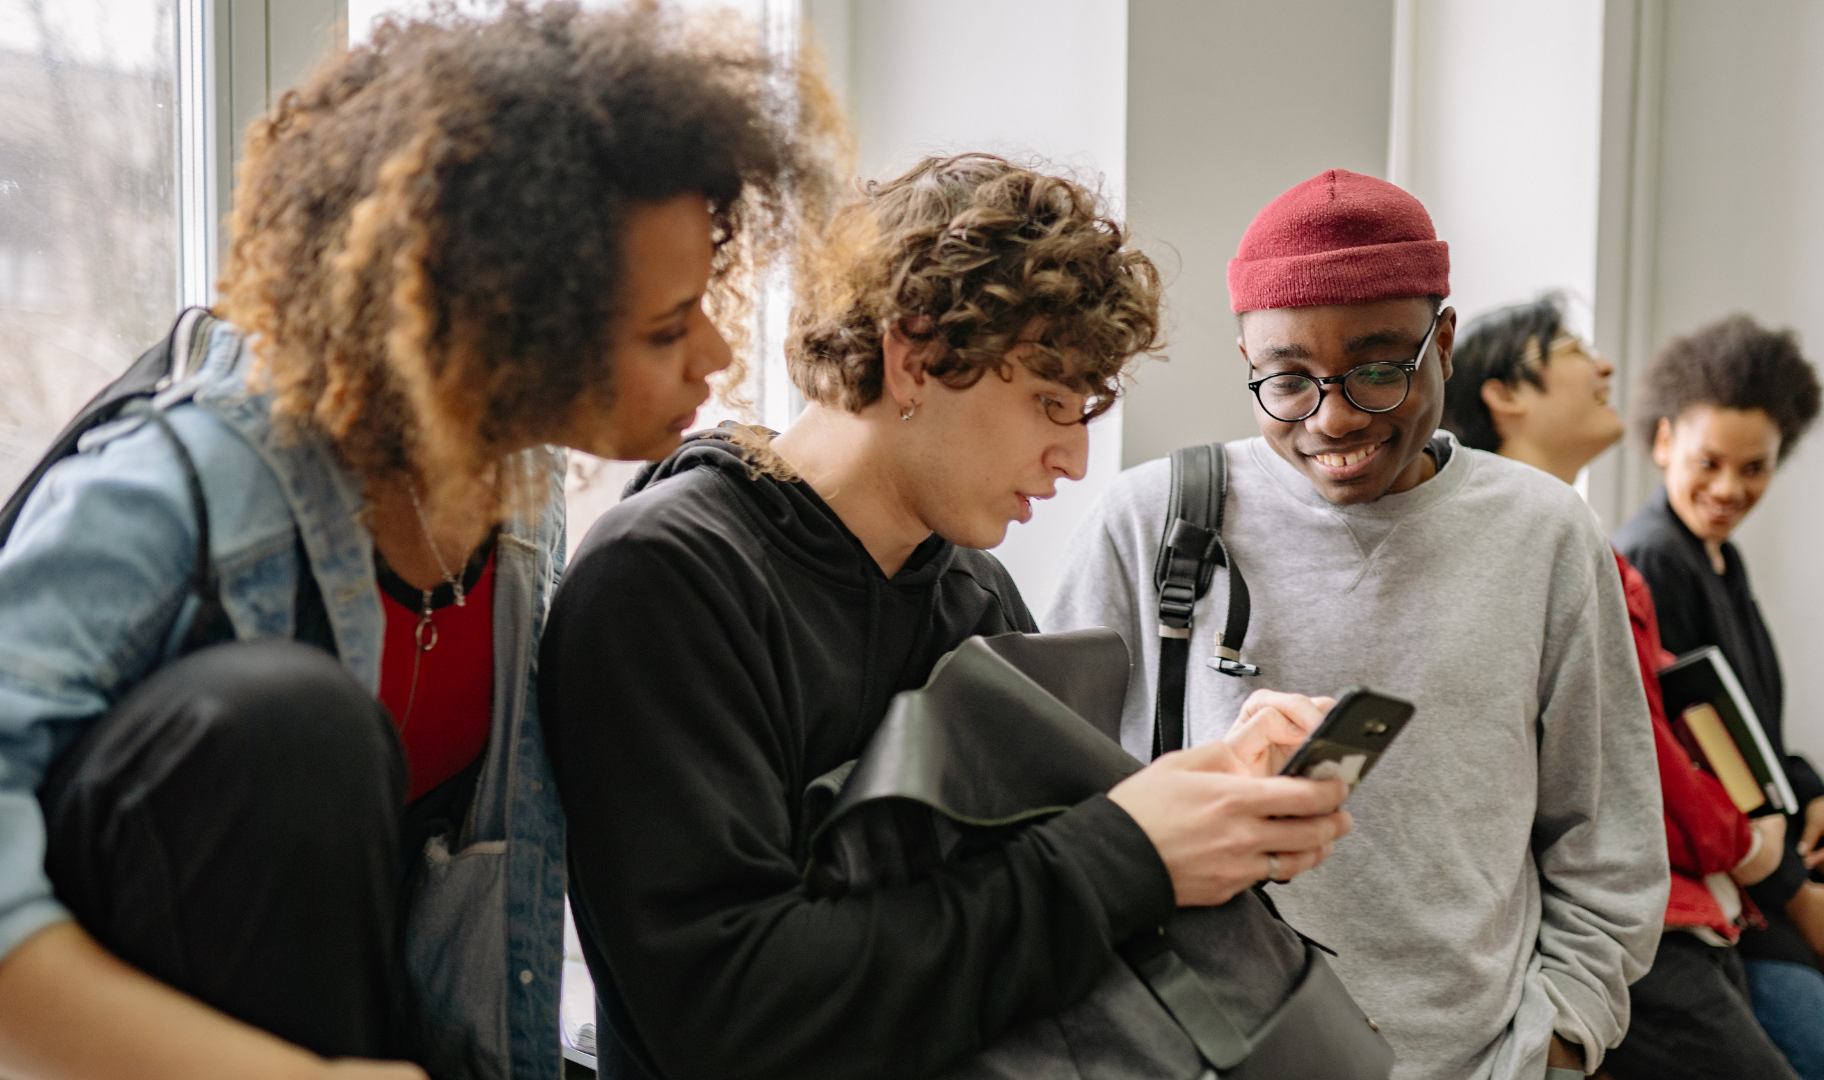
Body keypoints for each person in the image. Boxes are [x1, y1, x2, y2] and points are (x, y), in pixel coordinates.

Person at [0, 5, 832, 1078]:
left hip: (342, 1022)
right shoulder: (183, 485)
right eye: (666, 329)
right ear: (489, 326)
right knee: (288, 723)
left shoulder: (513, 486)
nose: (715, 353)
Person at [540, 154, 1357, 1080]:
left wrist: (1212, 812)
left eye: (1085, 412)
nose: (1075, 459)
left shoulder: (972, 590)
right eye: (1050, 403)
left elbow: (1028, 928)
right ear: (913, 356)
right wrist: (1130, 851)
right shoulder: (664, 581)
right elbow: (731, 1011)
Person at [1045, 170, 1668, 1080]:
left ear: (1444, 344)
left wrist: (1557, 1046)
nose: (1334, 418)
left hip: (1483, 1061)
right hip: (1202, 1050)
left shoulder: (1545, 532)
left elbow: (1605, 833)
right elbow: (1049, 815)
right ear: (1248, 362)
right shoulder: (1156, 519)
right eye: (1289, 381)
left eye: (1379, 369)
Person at [1443, 295, 1797, 1080]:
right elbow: (1638, 748)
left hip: (1648, 913)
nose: (1605, 365)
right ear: (1503, 392)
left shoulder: (1580, 538)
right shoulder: (1511, 550)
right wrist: (1745, 847)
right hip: (1624, 921)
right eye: (1571, 346)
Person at [1615, 314, 1824, 1080]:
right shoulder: (1652, 560)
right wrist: (1796, 891)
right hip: (1737, 890)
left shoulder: (1719, 560)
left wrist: (1814, 796)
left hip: (1777, 878)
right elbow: (1694, 767)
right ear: (1663, 443)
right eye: (1709, 462)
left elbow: (1750, 729)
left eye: (1755, 469)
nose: (1728, 489)